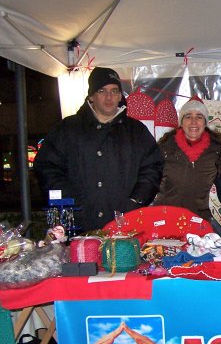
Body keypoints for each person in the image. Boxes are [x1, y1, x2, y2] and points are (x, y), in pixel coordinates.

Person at [34, 67, 163, 232]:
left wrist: (135, 200)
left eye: (114, 91)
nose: (109, 97)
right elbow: (47, 167)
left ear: (120, 96)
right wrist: (72, 199)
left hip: (124, 226)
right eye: (102, 91)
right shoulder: (67, 129)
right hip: (79, 225)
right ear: (91, 96)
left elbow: (153, 168)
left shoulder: (136, 131)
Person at [153, 97, 221, 237]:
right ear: (181, 122)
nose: (193, 122)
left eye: (199, 117)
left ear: (205, 122)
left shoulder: (217, 151)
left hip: (202, 222)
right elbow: (150, 182)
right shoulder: (164, 149)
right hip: (167, 219)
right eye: (188, 116)